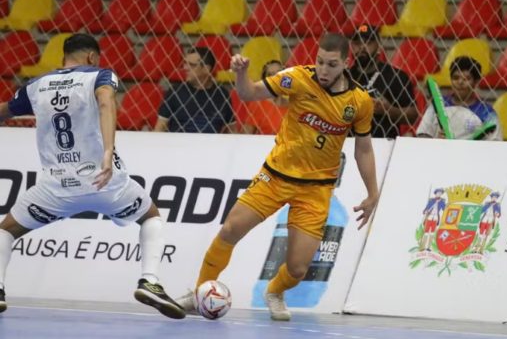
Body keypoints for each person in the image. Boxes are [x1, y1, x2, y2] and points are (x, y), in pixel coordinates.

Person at [175, 33, 379, 321]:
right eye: (320, 61)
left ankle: (275, 290)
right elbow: (249, 93)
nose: (323, 70)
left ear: (346, 63)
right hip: (276, 176)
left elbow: (364, 148)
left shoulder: (359, 101)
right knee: (231, 228)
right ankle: (198, 292)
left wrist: (373, 193)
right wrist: (242, 72)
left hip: (316, 189)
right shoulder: (297, 78)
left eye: (332, 65)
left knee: (297, 269)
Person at [0, 34, 185, 319]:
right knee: (151, 216)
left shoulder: (36, 86)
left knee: (6, 229)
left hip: (56, 188)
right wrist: (108, 151)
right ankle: (150, 281)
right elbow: (106, 102)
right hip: (104, 182)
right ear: (90, 57)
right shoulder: (99, 75)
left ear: (63, 59)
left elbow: (4, 113)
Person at [348, 24, 418, 138]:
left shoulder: (396, 76)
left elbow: (413, 116)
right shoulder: (344, 77)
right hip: (350, 142)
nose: (362, 47)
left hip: (385, 142)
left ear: (379, 46)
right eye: (357, 43)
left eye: (368, 42)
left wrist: (389, 110)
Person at [417, 56, 503, 141]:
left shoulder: (487, 113)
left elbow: (495, 144)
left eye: (466, 78)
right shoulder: (437, 104)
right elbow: (422, 135)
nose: (460, 82)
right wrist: (437, 142)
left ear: (476, 82)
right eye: (456, 78)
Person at [154, 47, 232, 134]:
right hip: (179, 146)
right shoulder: (175, 92)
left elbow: (232, 130)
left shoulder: (222, 94)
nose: (185, 68)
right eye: (185, 63)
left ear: (206, 69)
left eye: (191, 65)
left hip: (211, 146)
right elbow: (159, 128)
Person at [230, 60, 289, 135]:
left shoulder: (294, 104)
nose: (275, 78)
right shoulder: (258, 105)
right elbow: (246, 135)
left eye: (279, 74)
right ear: (265, 81)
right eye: (270, 75)